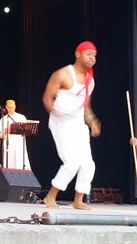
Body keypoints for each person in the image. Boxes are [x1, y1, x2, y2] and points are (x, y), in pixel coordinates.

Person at [42, 41, 101, 210]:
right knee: (72, 162)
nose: (92, 58)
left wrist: (92, 121)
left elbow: (85, 105)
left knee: (88, 164)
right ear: (78, 54)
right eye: (89, 54)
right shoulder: (63, 74)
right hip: (60, 121)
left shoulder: (90, 80)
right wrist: (55, 112)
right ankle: (50, 196)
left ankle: (78, 200)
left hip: (77, 122)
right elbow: (47, 97)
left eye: (94, 55)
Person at [0, 99, 31, 170]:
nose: (11, 109)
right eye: (9, 107)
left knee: (20, 163)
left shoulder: (21, 117)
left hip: (19, 144)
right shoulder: (3, 119)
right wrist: (5, 131)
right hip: (9, 145)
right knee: (9, 164)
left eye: (12, 107)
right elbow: (0, 135)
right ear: (6, 107)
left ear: (15, 107)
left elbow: (26, 130)